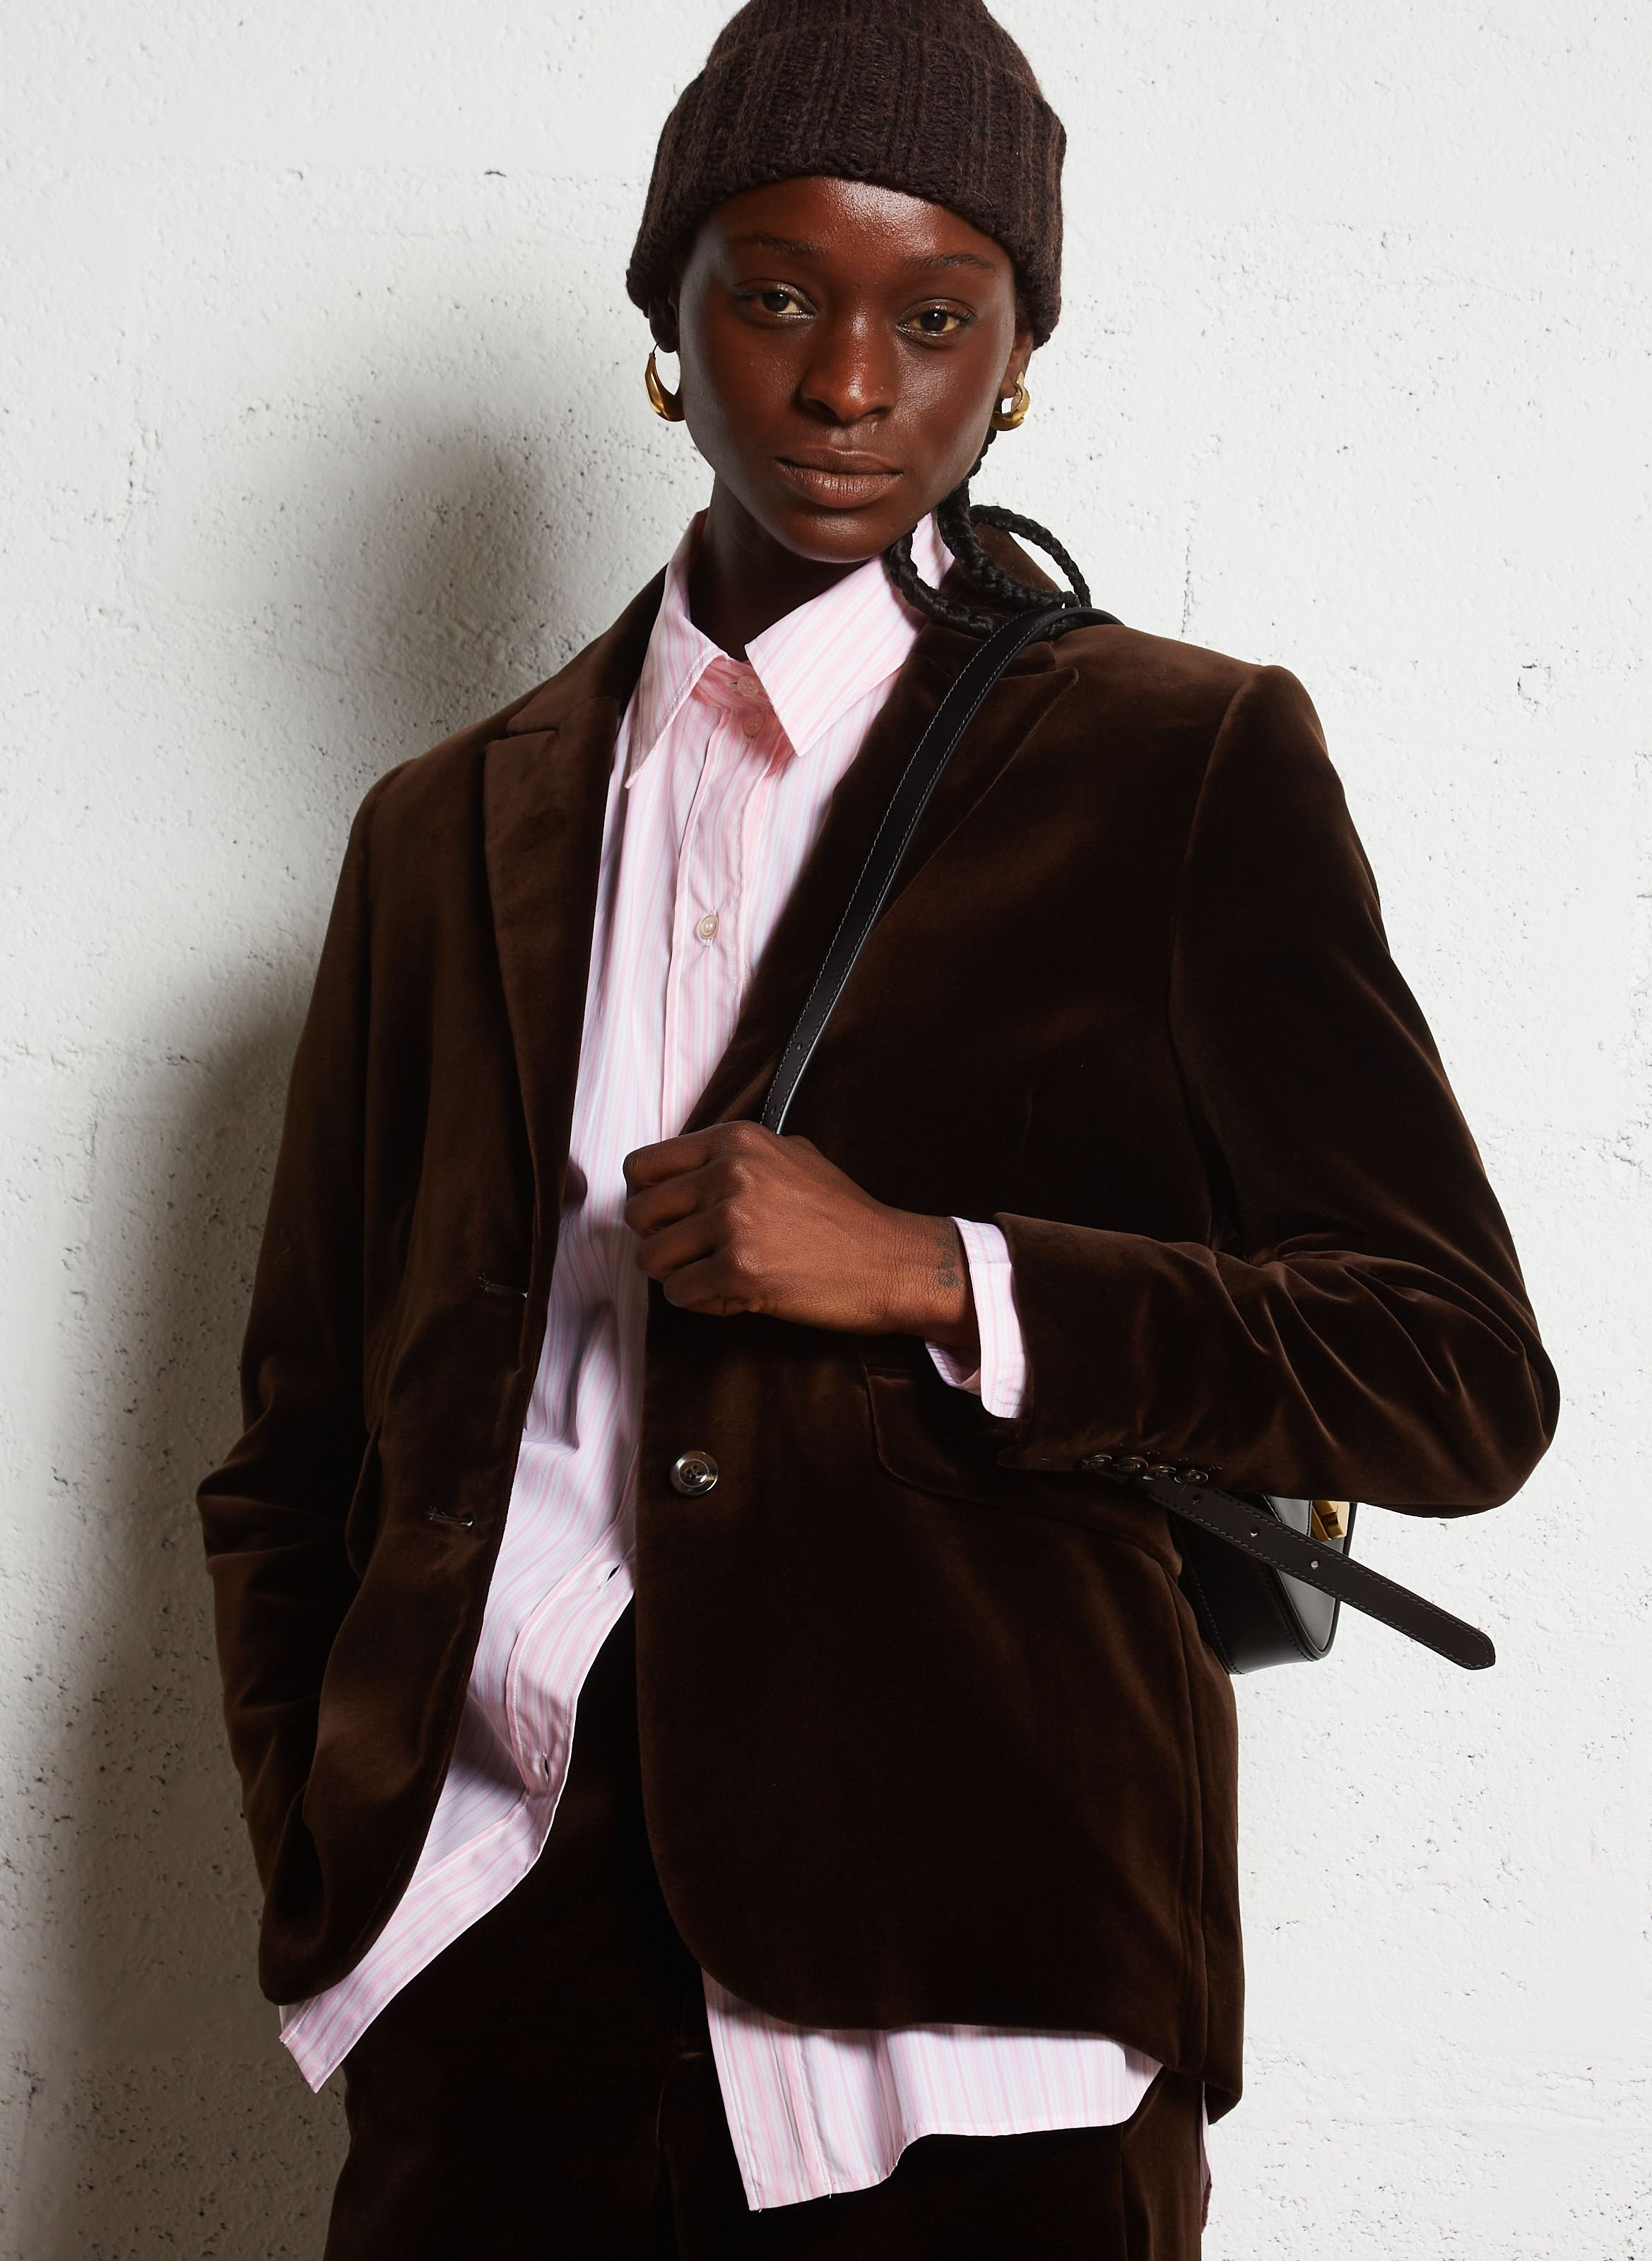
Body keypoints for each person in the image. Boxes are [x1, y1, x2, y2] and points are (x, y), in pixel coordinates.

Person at [196, 2, 1559, 2253]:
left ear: (1015, 359)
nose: (848, 384)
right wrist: (333, 1853)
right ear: (666, 323)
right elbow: (297, 1448)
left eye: (935, 318)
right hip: (487, 1987)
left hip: (977, 2009)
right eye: (774, 296)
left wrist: (939, 1272)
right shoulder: (442, 830)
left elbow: (1451, 1374)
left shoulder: (1174, 768)